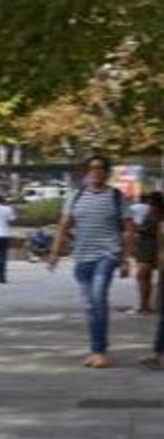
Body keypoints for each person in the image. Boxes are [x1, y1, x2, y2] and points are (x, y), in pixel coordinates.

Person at [48, 155, 136, 368]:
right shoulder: (75, 196)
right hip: (82, 256)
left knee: (98, 297)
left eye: (100, 168)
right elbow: (64, 226)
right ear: (86, 171)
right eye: (92, 168)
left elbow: (128, 230)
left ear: (107, 172)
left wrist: (125, 259)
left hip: (107, 254)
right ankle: (95, 349)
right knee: (89, 305)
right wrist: (54, 253)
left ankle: (100, 351)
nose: (96, 171)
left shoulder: (116, 196)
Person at [140, 194, 164, 370]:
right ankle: (157, 353)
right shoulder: (156, 222)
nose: (149, 210)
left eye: (152, 207)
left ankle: (157, 354)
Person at [133, 191, 161, 315]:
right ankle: (145, 305)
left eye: (151, 202)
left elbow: (147, 229)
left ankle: (146, 305)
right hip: (145, 247)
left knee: (143, 275)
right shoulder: (150, 212)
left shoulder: (157, 214)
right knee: (143, 276)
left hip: (152, 247)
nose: (149, 204)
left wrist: (137, 228)